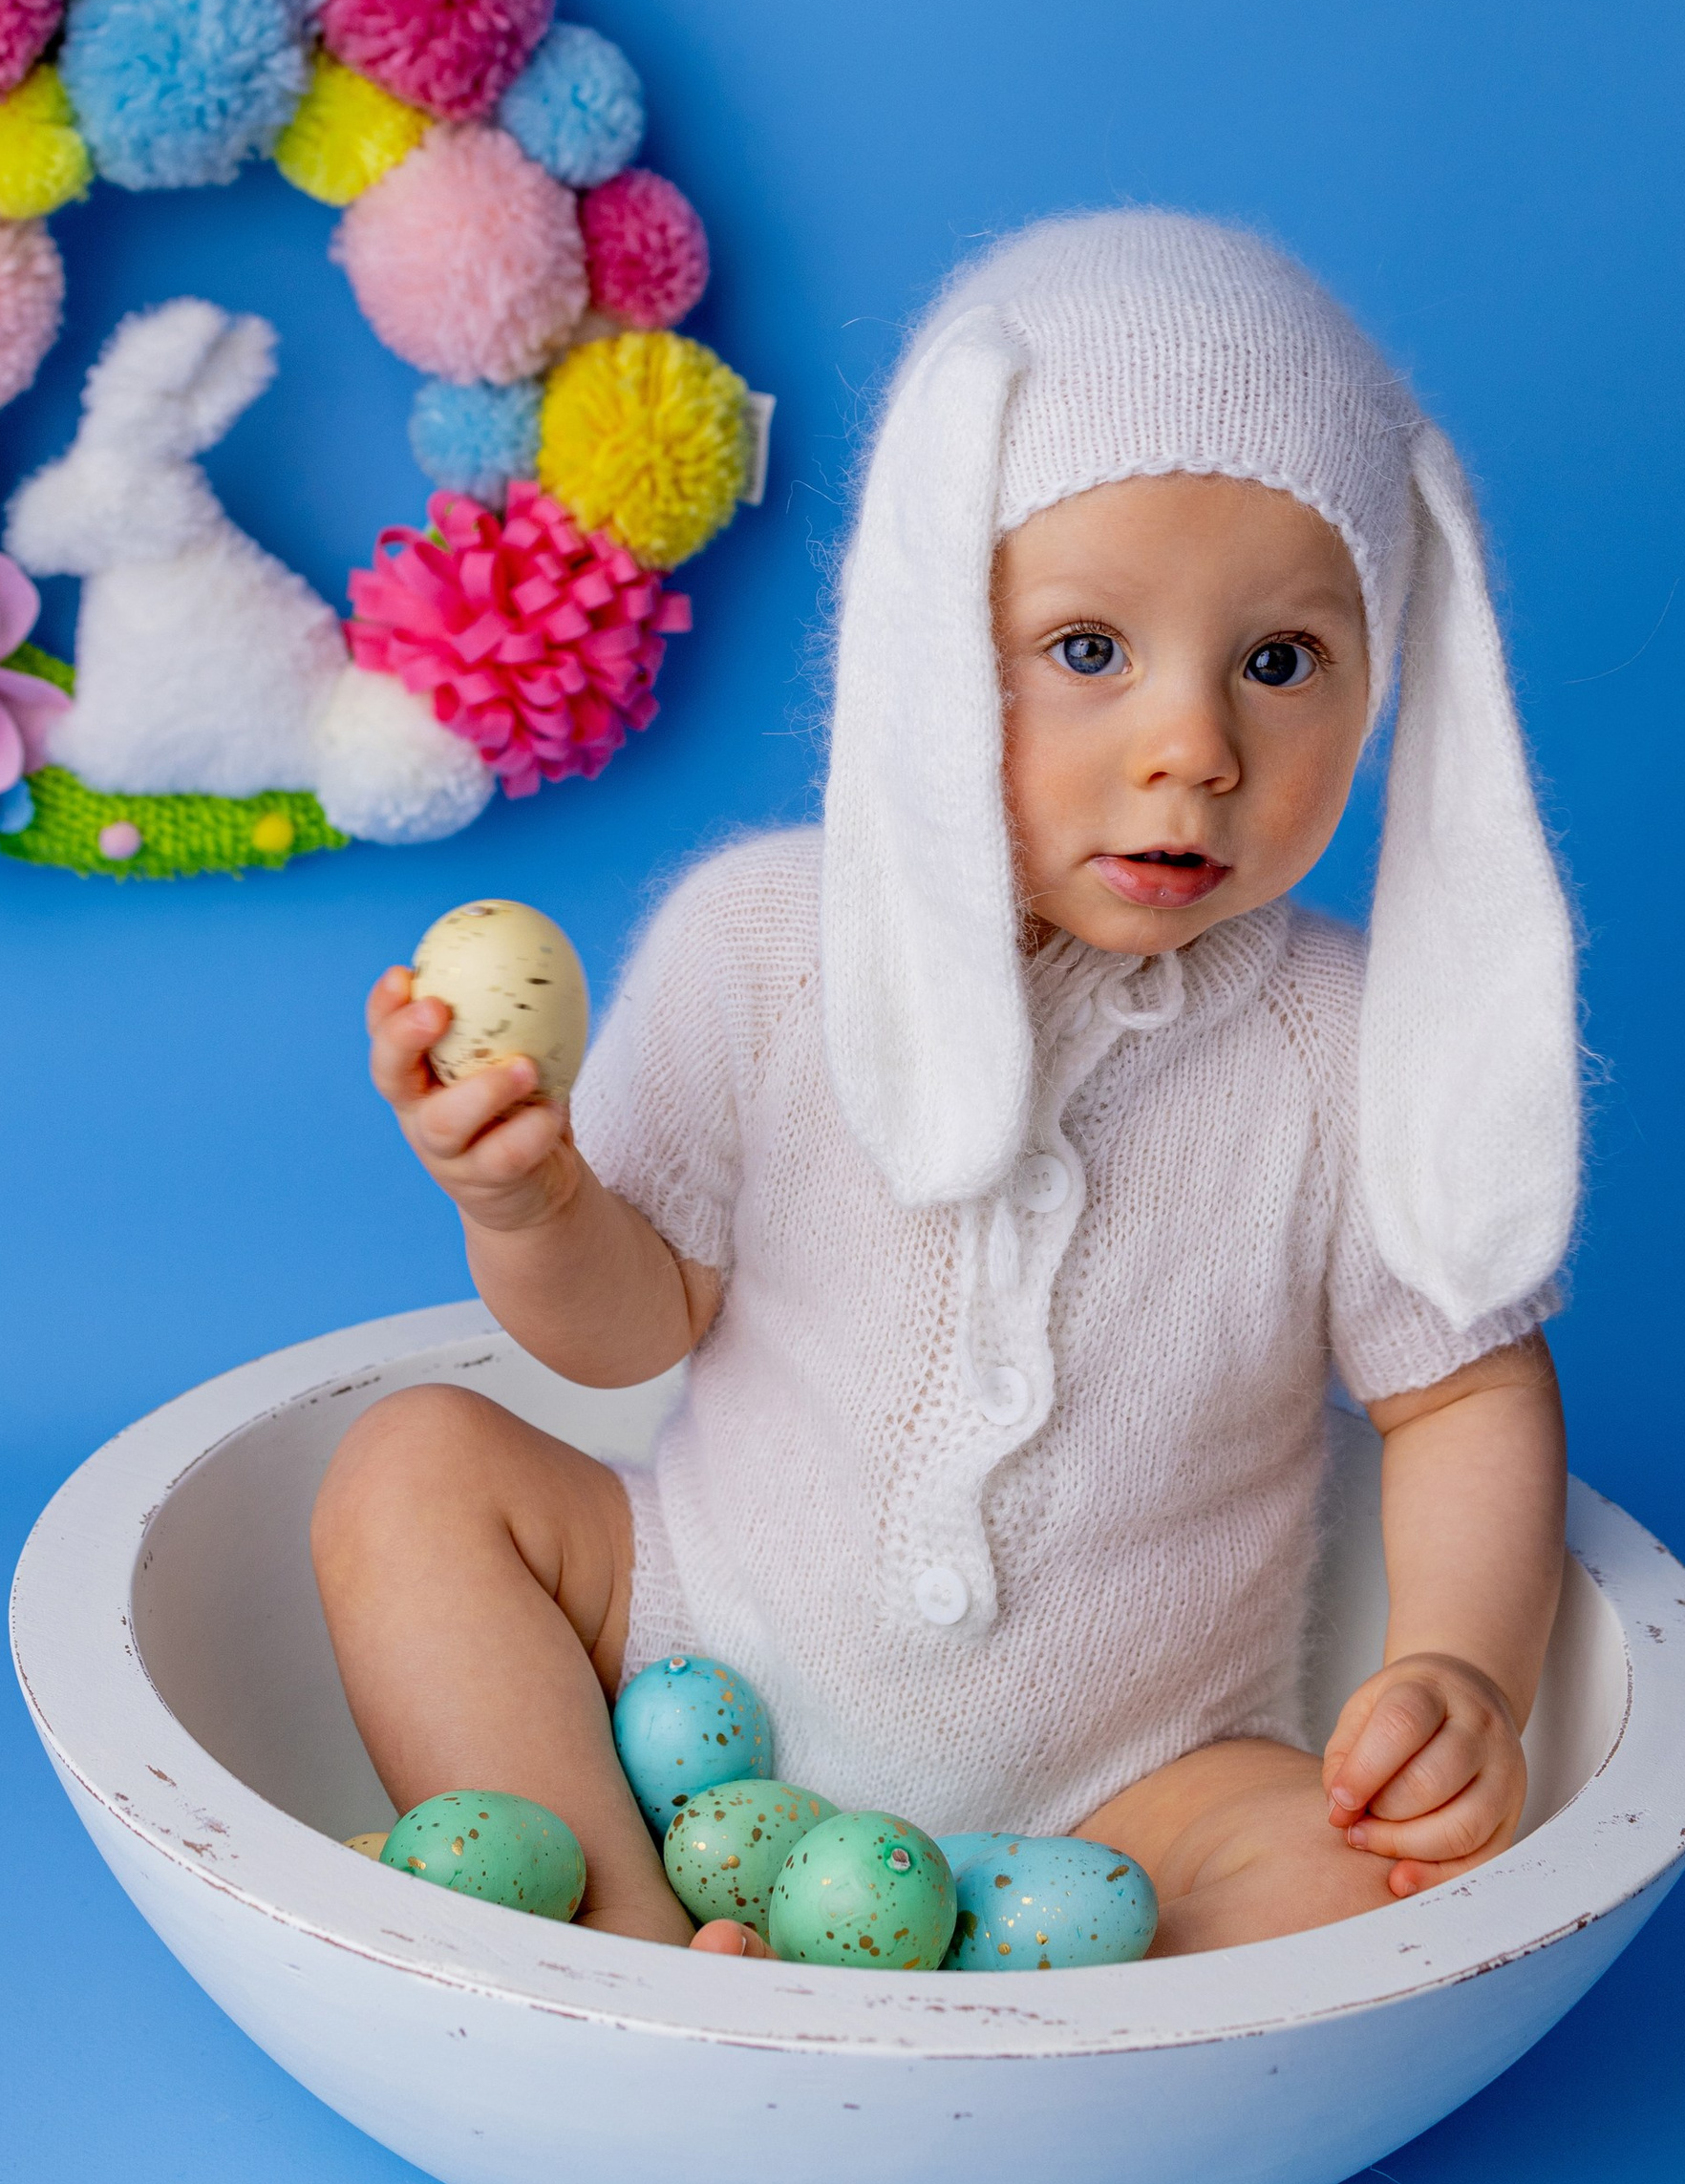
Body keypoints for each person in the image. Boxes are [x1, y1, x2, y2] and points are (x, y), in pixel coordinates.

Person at [311, 210, 1581, 1957]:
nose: (1194, 747)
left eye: (1280, 663)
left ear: (1380, 689)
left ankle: (1016, 2016)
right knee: (409, 1478)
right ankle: (617, 1914)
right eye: (1086, 650)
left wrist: (1462, 1668)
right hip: (690, 1662)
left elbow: (1464, 1397)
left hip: (1136, 1789)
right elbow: (626, 1331)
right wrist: (531, 1205)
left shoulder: (1341, 1051)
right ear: (932, 646)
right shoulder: (769, 946)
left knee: (1354, 1880)